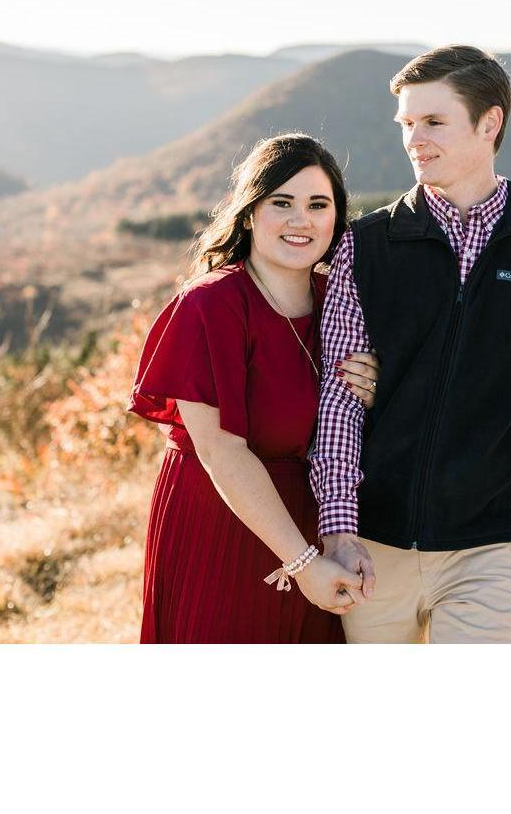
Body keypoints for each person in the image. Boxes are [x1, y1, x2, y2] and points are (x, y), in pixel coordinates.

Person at [309, 45, 511, 644]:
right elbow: (341, 400)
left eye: (433, 121)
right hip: (374, 544)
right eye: (406, 124)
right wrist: (339, 527)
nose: (414, 140)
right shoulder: (364, 248)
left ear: (489, 122)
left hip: (493, 545)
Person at [128, 133, 381, 643]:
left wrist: (376, 393)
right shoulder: (210, 305)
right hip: (222, 522)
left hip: (316, 523)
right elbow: (220, 451)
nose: (300, 220)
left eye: (318, 205)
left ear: (336, 219)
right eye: (281, 203)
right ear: (249, 213)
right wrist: (303, 562)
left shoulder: (343, 303)